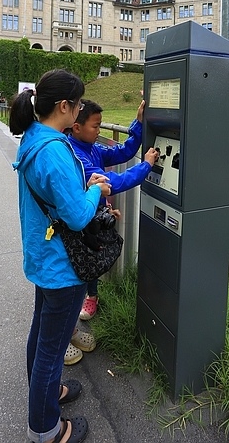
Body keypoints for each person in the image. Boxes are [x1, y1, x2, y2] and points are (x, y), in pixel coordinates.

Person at [9, 69, 111, 443]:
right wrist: (96, 190)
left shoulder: (34, 136)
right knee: (51, 350)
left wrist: (79, 188)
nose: (81, 109)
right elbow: (79, 215)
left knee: (41, 334)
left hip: (41, 255)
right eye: (79, 103)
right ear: (65, 106)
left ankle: (48, 395)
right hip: (63, 266)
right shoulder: (54, 150)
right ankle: (47, 430)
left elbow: (57, 196)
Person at [66, 99, 158, 337]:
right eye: (95, 126)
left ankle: (91, 296)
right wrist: (146, 166)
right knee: (81, 264)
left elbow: (124, 151)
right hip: (80, 219)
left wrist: (138, 123)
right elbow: (113, 183)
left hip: (94, 215)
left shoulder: (92, 148)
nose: (99, 132)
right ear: (77, 127)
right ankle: (69, 326)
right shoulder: (75, 155)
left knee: (92, 256)